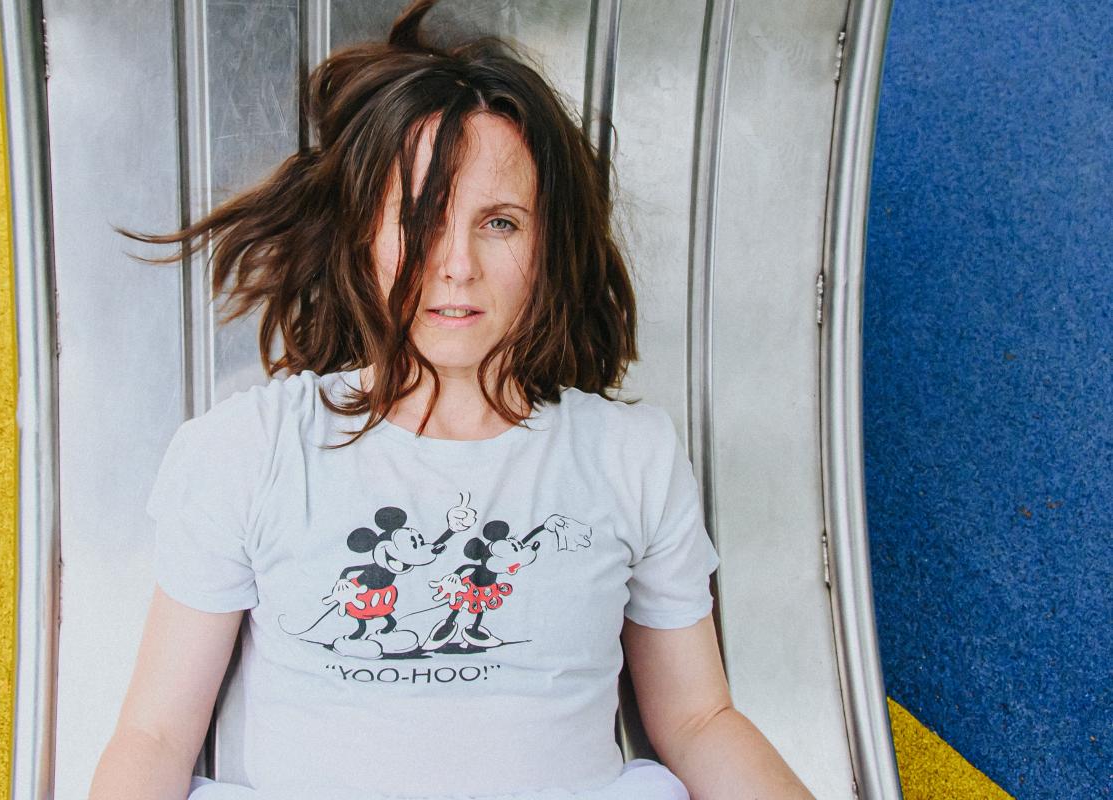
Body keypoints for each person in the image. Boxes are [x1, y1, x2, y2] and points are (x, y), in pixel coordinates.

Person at [89, 1, 813, 798]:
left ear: (549, 244)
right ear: (359, 234)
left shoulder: (629, 457)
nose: (456, 264)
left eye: (499, 223)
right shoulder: (250, 449)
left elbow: (700, 719)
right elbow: (156, 734)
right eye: (418, 220)